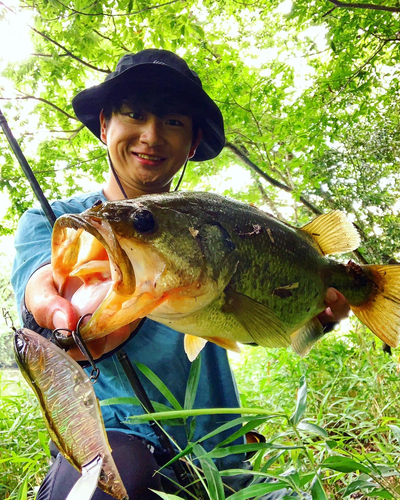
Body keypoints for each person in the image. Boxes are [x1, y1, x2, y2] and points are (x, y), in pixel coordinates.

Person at [11, 49, 349, 500]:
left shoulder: (217, 228)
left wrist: (312, 321)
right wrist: (52, 318)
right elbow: (43, 301)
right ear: (105, 124)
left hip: (220, 451)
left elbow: (254, 329)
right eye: (134, 114)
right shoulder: (56, 221)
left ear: (192, 144)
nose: (150, 136)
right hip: (114, 443)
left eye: (173, 121)